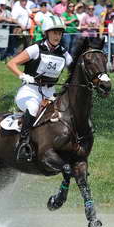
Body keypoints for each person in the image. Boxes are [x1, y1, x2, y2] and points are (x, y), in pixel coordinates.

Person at [6, 15, 72, 161]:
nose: (57, 36)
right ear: (47, 33)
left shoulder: (63, 52)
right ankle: (23, 144)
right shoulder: (35, 49)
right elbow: (11, 63)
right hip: (30, 90)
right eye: (54, 32)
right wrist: (22, 75)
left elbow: (74, 69)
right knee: (33, 108)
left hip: (50, 92)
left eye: (60, 33)